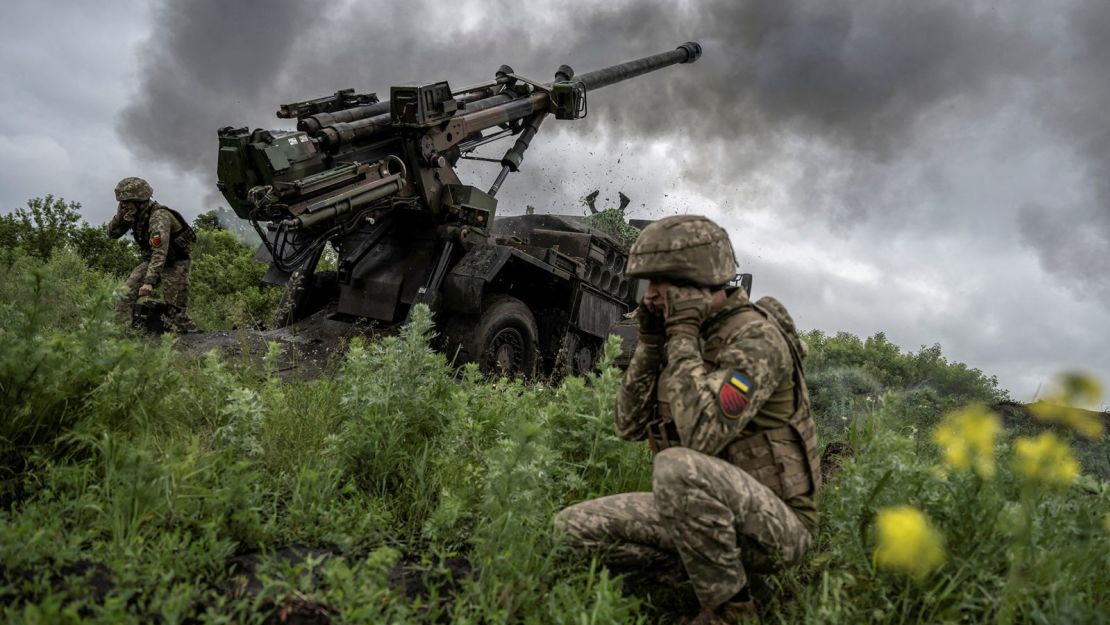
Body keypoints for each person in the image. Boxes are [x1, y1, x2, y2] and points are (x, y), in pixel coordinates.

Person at [555, 215, 820, 624]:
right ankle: (705, 576)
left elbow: (700, 438)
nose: (651, 296)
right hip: (702, 517)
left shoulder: (755, 340)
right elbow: (628, 425)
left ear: (701, 282)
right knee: (572, 530)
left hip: (775, 527)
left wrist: (679, 335)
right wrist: (650, 343)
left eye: (662, 284)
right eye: (648, 285)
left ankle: (733, 611)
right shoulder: (681, 333)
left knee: (675, 465)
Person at [108, 177, 197, 332]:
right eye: (121, 202)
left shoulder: (159, 217)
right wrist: (118, 218)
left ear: (139, 200)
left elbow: (159, 251)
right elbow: (112, 234)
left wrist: (149, 281)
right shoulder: (133, 214)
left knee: (175, 312)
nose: (123, 205)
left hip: (175, 263)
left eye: (126, 201)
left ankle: (194, 340)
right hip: (154, 261)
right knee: (124, 295)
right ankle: (121, 335)